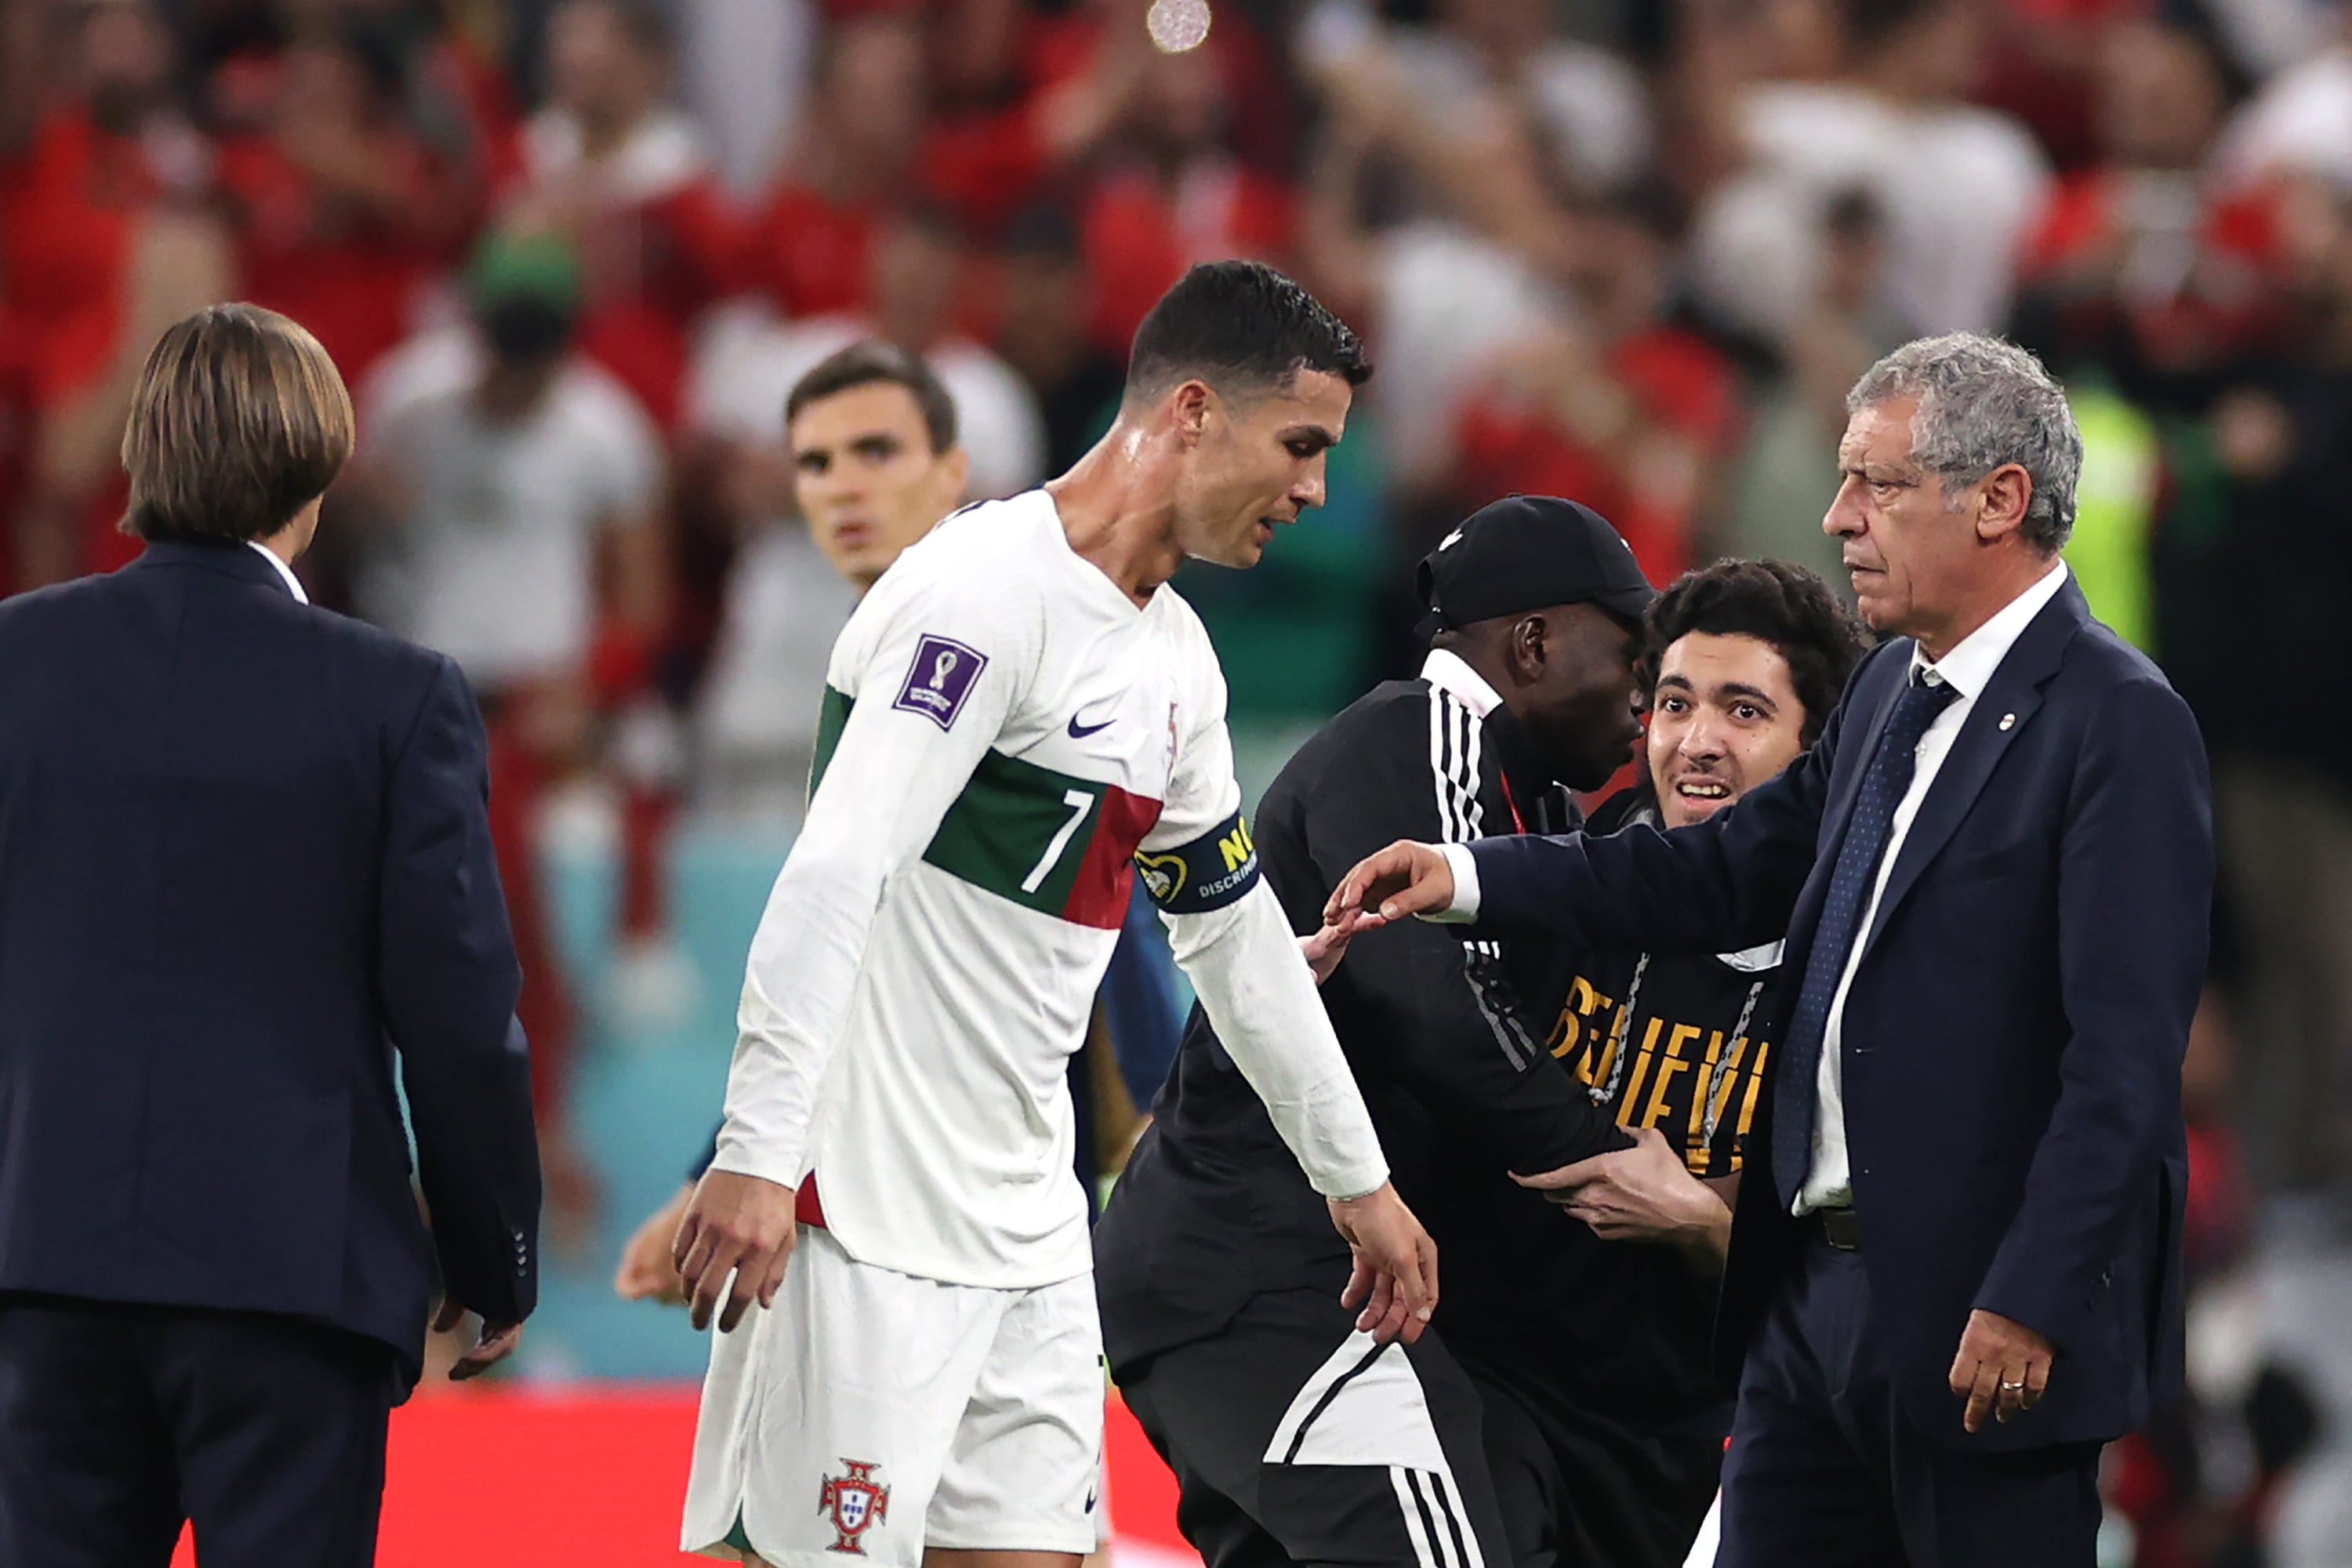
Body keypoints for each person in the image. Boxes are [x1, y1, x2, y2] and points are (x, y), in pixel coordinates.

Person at [1333, 332, 2210, 1567]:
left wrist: (2032, 1296)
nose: (1839, 514)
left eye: (1879, 484)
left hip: (1977, 1318)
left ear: (2001, 501)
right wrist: (1470, 875)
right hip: (1808, 1306)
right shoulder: (1892, 690)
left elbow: (2123, 1062)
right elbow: (1716, 870)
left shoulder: (2119, 722)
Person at [673, 261, 1439, 1568]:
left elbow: (1237, 939)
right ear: (1193, 411)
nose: (1317, 488)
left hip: (1029, 1236)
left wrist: (1355, 1180)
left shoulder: (1175, 662)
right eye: (1300, 444)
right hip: (860, 1218)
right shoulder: (976, 593)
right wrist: (752, 1150)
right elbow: (837, 870)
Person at [0, 303, 540, 1566]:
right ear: (320, 469)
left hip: (39, 1268)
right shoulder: (396, 696)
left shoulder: (14, 662)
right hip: (288, 1284)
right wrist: (490, 1254)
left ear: (142, 454)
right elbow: (458, 1013)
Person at [1094, 493, 1655, 1568]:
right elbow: (1431, 1001)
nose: (1644, 700)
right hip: (1266, 1264)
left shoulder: (1531, 809)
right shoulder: (1422, 735)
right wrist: (1620, 1168)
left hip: (1275, 1278)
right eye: (1630, 657)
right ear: (1532, 644)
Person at [1436, 558, 1868, 1568]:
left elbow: (1856, 1287)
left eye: (1745, 710)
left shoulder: (1854, 978)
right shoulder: (1569, 880)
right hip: (1489, 1381)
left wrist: (1701, 1228)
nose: (1697, 742)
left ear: (1818, 758)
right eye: (1674, 703)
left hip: (1689, 1442)